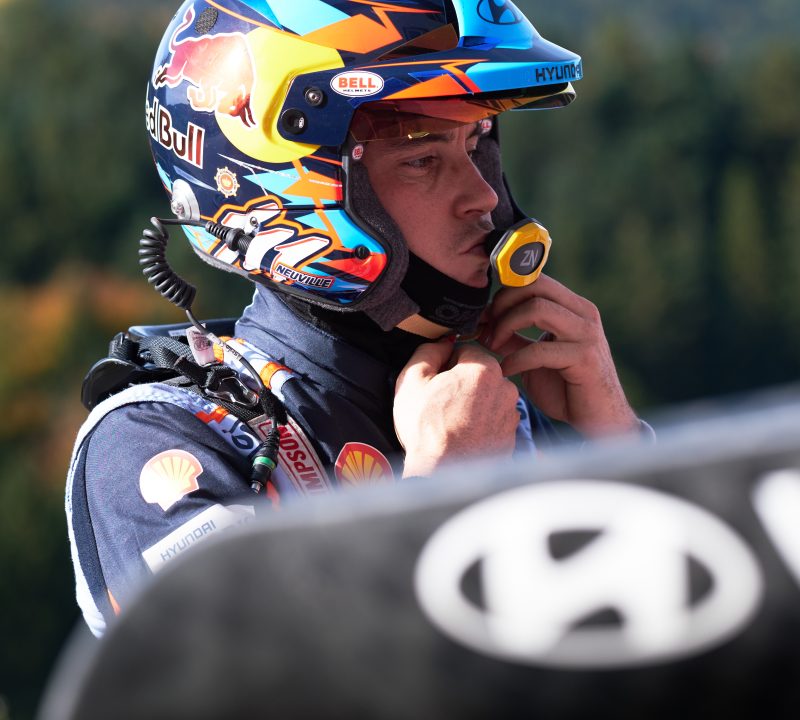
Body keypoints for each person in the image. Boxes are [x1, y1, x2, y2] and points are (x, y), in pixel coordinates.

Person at [66, 0, 649, 637]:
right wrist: (440, 489)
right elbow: (243, 678)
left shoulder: (499, 403)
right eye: (422, 159)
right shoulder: (155, 441)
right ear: (292, 187)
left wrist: (620, 452)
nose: (483, 195)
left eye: (477, 143)